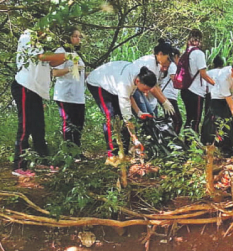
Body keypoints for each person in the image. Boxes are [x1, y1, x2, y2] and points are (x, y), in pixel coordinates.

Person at [12, 29, 71, 177]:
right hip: (25, 86)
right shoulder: (27, 35)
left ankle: (42, 161)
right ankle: (19, 165)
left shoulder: (39, 44)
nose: (48, 32)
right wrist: (65, 55)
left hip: (35, 90)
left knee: (38, 126)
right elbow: (41, 57)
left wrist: (67, 57)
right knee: (25, 125)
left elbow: (51, 61)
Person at [86, 63, 157, 164]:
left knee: (120, 117)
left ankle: (123, 153)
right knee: (110, 116)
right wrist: (134, 137)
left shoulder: (137, 77)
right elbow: (127, 114)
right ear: (138, 81)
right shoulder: (125, 84)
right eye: (145, 89)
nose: (146, 93)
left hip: (114, 84)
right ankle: (112, 155)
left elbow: (130, 96)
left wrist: (139, 112)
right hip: (98, 84)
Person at [52, 27, 86, 159]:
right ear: (68, 38)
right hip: (65, 94)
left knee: (78, 124)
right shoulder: (60, 52)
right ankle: (68, 153)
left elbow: (79, 73)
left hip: (78, 95)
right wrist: (70, 68)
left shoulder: (75, 53)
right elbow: (55, 72)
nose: (78, 39)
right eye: (75, 36)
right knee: (69, 124)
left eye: (79, 36)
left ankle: (77, 151)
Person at [180, 29, 215, 138]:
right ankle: (192, 145)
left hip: (185, 90)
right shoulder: (198, 53)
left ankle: (187, 143)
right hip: (196, 92)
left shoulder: (185, 54)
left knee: (189, 118)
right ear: (199, 40)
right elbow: (203, 74)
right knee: (196, 120)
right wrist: (215, 84)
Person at [131, 39, 175, 118]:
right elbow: (152, 87)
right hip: (135, 89)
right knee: (145, 115)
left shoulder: (157, 65)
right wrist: (164, 102)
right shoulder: (149, 62)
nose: (169, 62)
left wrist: (165, 100)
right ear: (160, 54)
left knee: (151, 115)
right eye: (168, 59)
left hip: (141, 91)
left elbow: (156, 85)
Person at [158, 48, 183, 134]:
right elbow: (174, 81)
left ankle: (165, 140)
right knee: (177, 121)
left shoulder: (168, 65)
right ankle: (172, 142)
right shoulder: (172, 65)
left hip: (166, 95)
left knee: (168, 121)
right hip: (168, 97)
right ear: (176, 56)